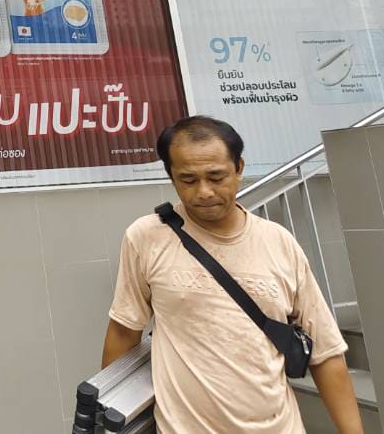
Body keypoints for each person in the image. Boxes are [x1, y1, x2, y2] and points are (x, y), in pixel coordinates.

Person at [100, 116, 363, 434]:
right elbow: (123, 332)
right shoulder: (146, 237)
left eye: (216, 176)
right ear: (171, 175)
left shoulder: (278, 242)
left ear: (238, 168)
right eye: (188, 180)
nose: (204, 192)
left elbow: (325, 353)